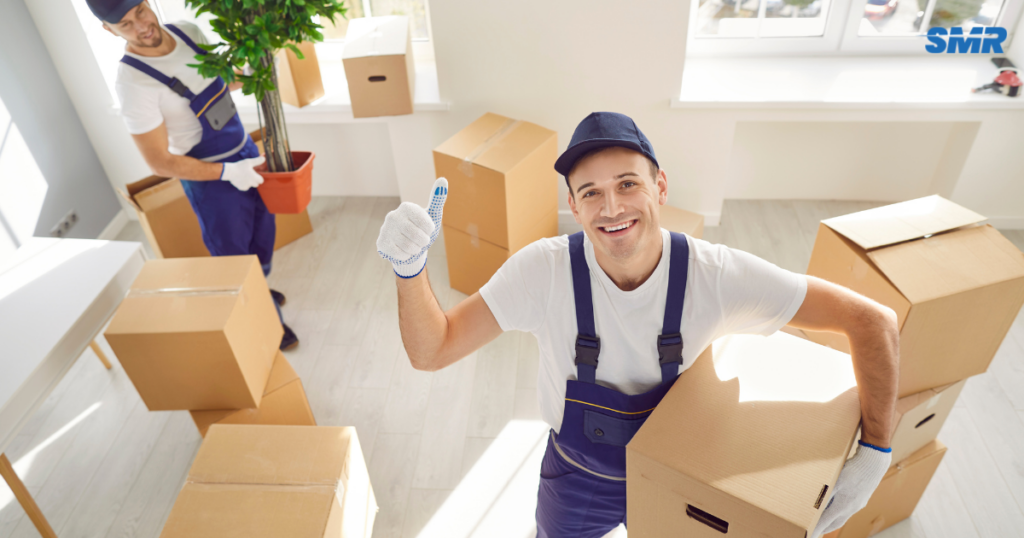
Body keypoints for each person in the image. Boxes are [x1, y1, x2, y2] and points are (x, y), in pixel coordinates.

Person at [377, 112, 898, 537]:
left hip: (683, 475)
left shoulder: (716, 276)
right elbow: (433, 349)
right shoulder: (543, 271)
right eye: (590, 192)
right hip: (577, 477)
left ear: (660, 186)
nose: (612, 207)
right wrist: (410, 271)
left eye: (628, 184)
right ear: (573, 206)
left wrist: (874, 453)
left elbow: (872, 321)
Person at [88, 0, 298, 349]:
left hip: (246, 152)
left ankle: (259, 287)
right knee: (233, 256)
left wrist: (257, 68)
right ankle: (268, 324)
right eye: (124, 24)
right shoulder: (134, 84)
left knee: (263, 234)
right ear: (108, 30)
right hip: (211, 180)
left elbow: (219, 83)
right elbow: (159, 161)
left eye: (140, 11)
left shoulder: (188, 32)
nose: (140, 26)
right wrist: (227, 172)